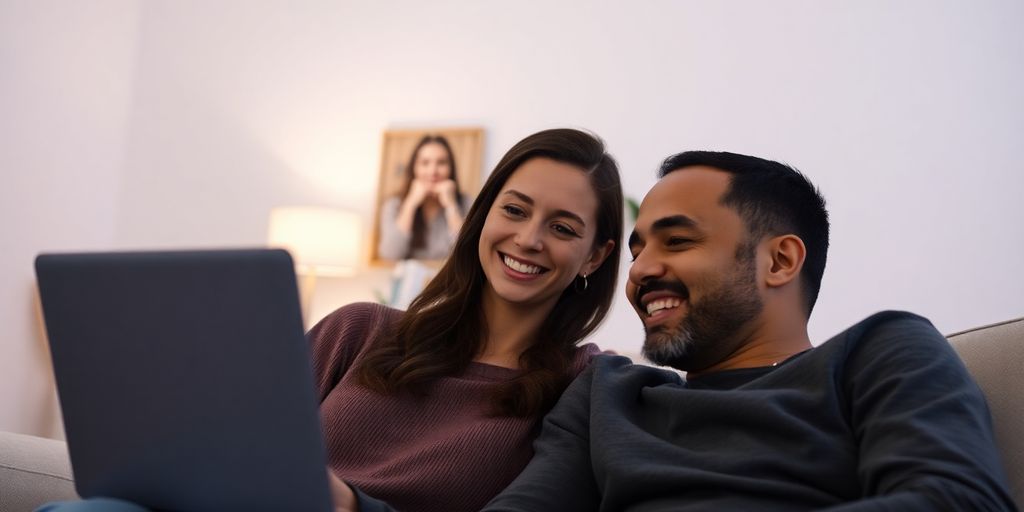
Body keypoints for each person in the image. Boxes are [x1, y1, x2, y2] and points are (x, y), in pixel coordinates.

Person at [36, 128, 624, 512]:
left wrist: (346, 503)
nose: (528, 239)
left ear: (595, 256)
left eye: (563, 227)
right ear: (483, 217)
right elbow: (233, 445)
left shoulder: (582, 390)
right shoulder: (359, 330)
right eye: (515, 211)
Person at [480, 151, 1016, 510]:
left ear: (780, 260)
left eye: (678, 242)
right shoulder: (609, 394)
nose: (640, 270)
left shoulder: (879, 352)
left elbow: (954, 499)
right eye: (638, 249)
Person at [377, 134, 472, 261]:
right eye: (425, 163)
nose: (433, 171)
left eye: (441, 163)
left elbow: (467, 254)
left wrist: (451, 205)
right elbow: (390, 254)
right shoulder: (393, 204)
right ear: (414, 168)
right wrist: (410, 204)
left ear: (451, 168)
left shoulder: (466, 203)